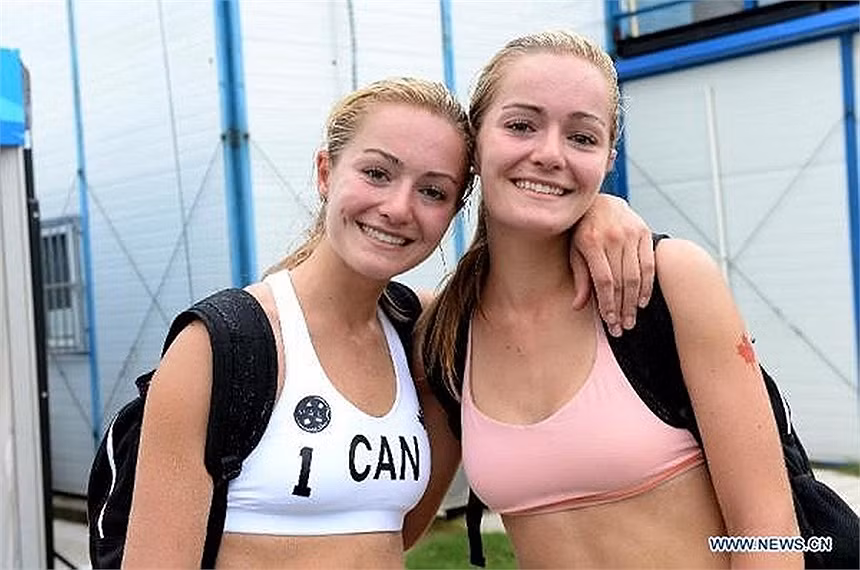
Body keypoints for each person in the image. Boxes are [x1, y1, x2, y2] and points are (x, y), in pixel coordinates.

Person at [122, 76, 655, 567]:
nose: (399, 208)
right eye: (377, 173)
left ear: (454, 211)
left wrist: (600, 209)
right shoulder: (222, 345)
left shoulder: (425, 334)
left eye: (433, 191)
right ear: (326, 172)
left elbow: (401, 531)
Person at [418, 31, 801, 568]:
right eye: (521, 126)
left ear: (607, 160)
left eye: (582, 137)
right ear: (475, 143)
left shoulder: (670, 281)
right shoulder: (446, 333)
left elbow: (769, 533)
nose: (549, 154)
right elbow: (388, 522)